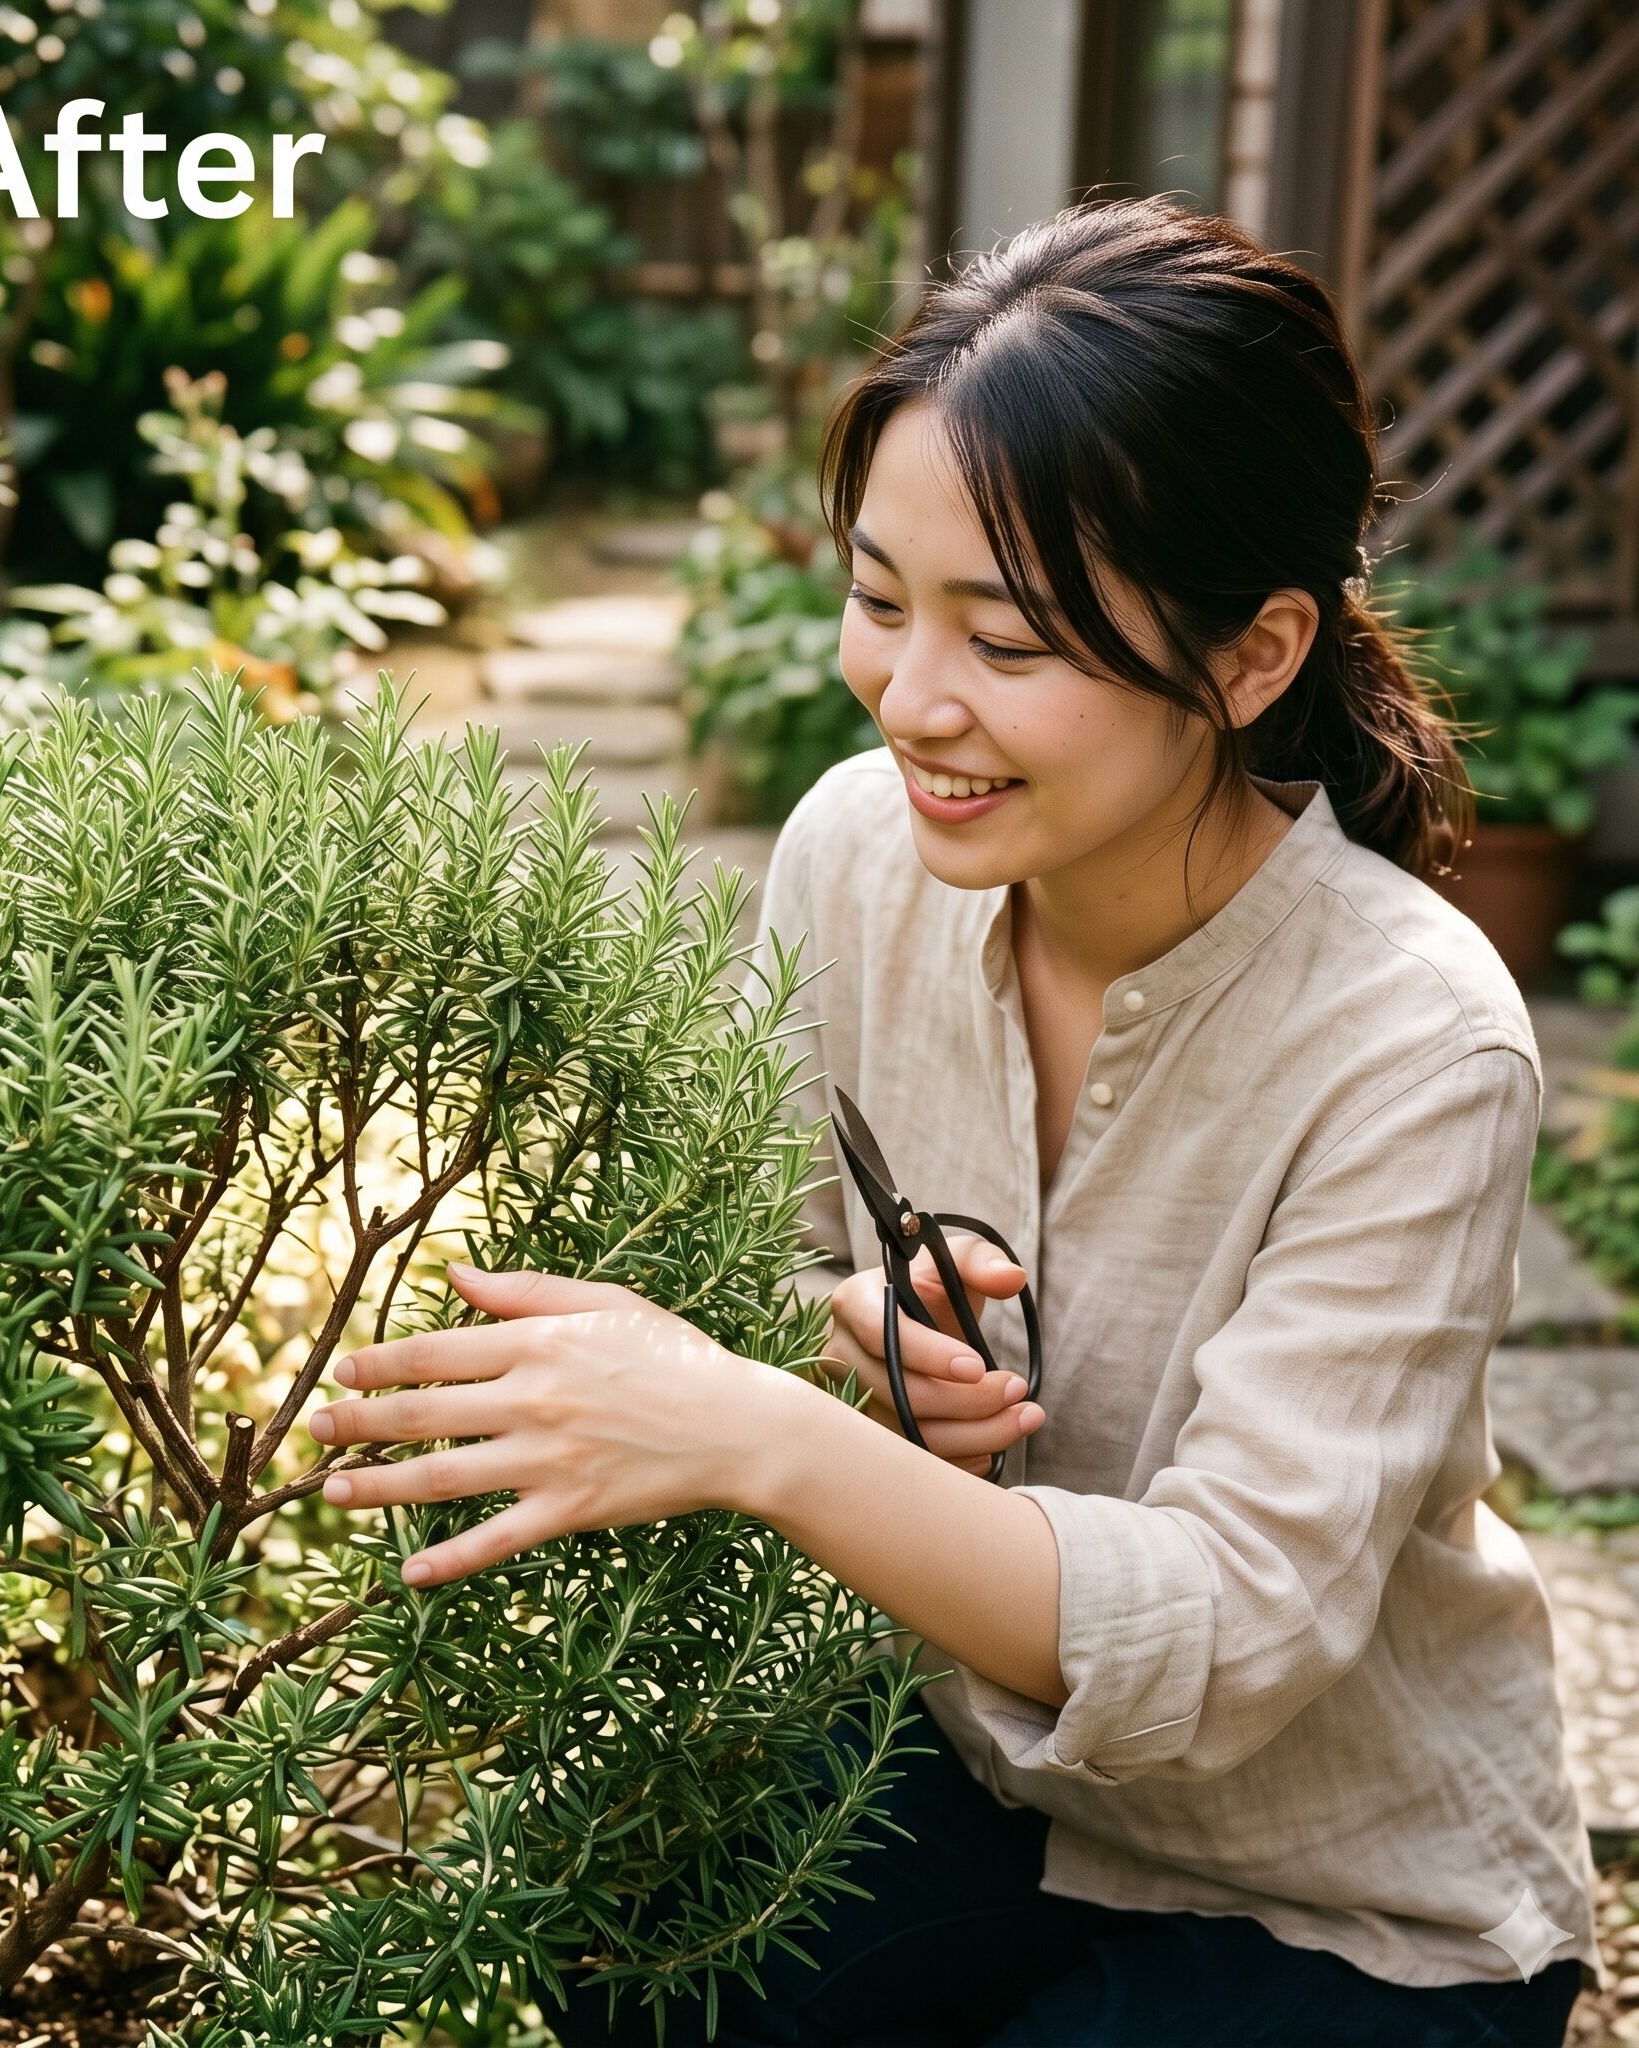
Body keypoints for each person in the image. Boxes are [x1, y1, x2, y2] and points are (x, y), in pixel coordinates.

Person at [303, 197, 1601, 2045]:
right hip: (980, 1778)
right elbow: (757, 1257)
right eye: (878, 599)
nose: (912, 700)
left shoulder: (1417, 1042)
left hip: (1339, 1891)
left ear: (1252, 655)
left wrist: (765, 1435)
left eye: (1005, 640)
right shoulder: (855, 856)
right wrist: (824, 1340)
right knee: (625, 1978)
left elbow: (1232, 1631)